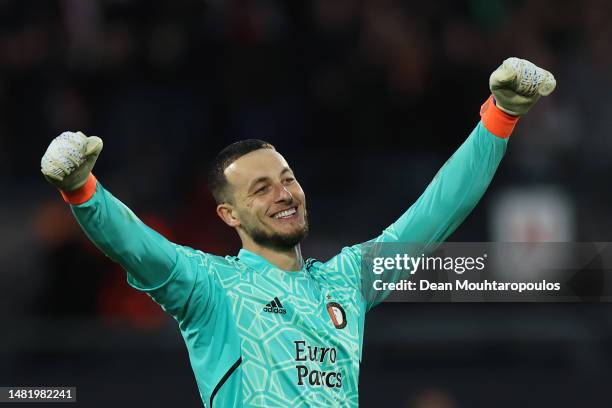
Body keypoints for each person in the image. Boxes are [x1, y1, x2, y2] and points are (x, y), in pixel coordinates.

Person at [40, 58, 555, 407]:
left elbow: (436, 212)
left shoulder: (347, 281)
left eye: (287, 179)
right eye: (260, 188)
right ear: (230, 215)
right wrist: (83, 190)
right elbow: (135, 245)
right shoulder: (211, 288)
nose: (283, 193)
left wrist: (501, 116)